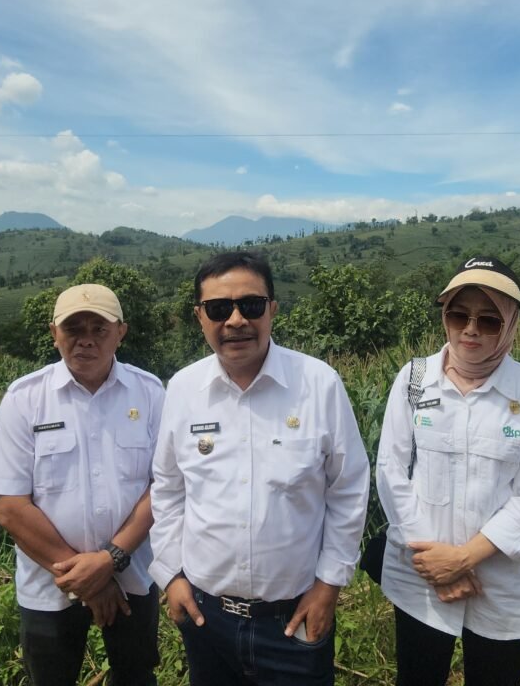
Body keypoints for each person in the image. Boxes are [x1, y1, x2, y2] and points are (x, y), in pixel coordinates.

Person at [149, 251, 370, 686]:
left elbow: (348, 490)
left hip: (294, 617)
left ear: (272, 309)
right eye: (218, 308)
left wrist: (329, 585)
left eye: (250, 305)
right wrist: (171, 575)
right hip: (206, 617)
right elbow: (169, 489)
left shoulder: (318, 384)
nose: (235, 320)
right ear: (200, 317)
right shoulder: (182, 388)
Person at [376, 257, 520, 686]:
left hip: (502, 581)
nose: (470, 330)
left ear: (512, 323)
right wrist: (434, 562)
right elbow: (391, 471)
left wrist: (462, 559)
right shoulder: (414, 378)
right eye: (459, 314)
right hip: (421, 575)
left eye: (489, 320)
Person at [0, 283, 164, 686]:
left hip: (133, 574)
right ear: (54, 333)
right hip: (49, 584)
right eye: (74, 328)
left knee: (135, 676)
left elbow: (162, 486)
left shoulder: (150, 393)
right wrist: (87, 582)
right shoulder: (25, 398)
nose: (86, 340)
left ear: (121, 332)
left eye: (99, 328)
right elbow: (10, 506)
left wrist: (109, 559)